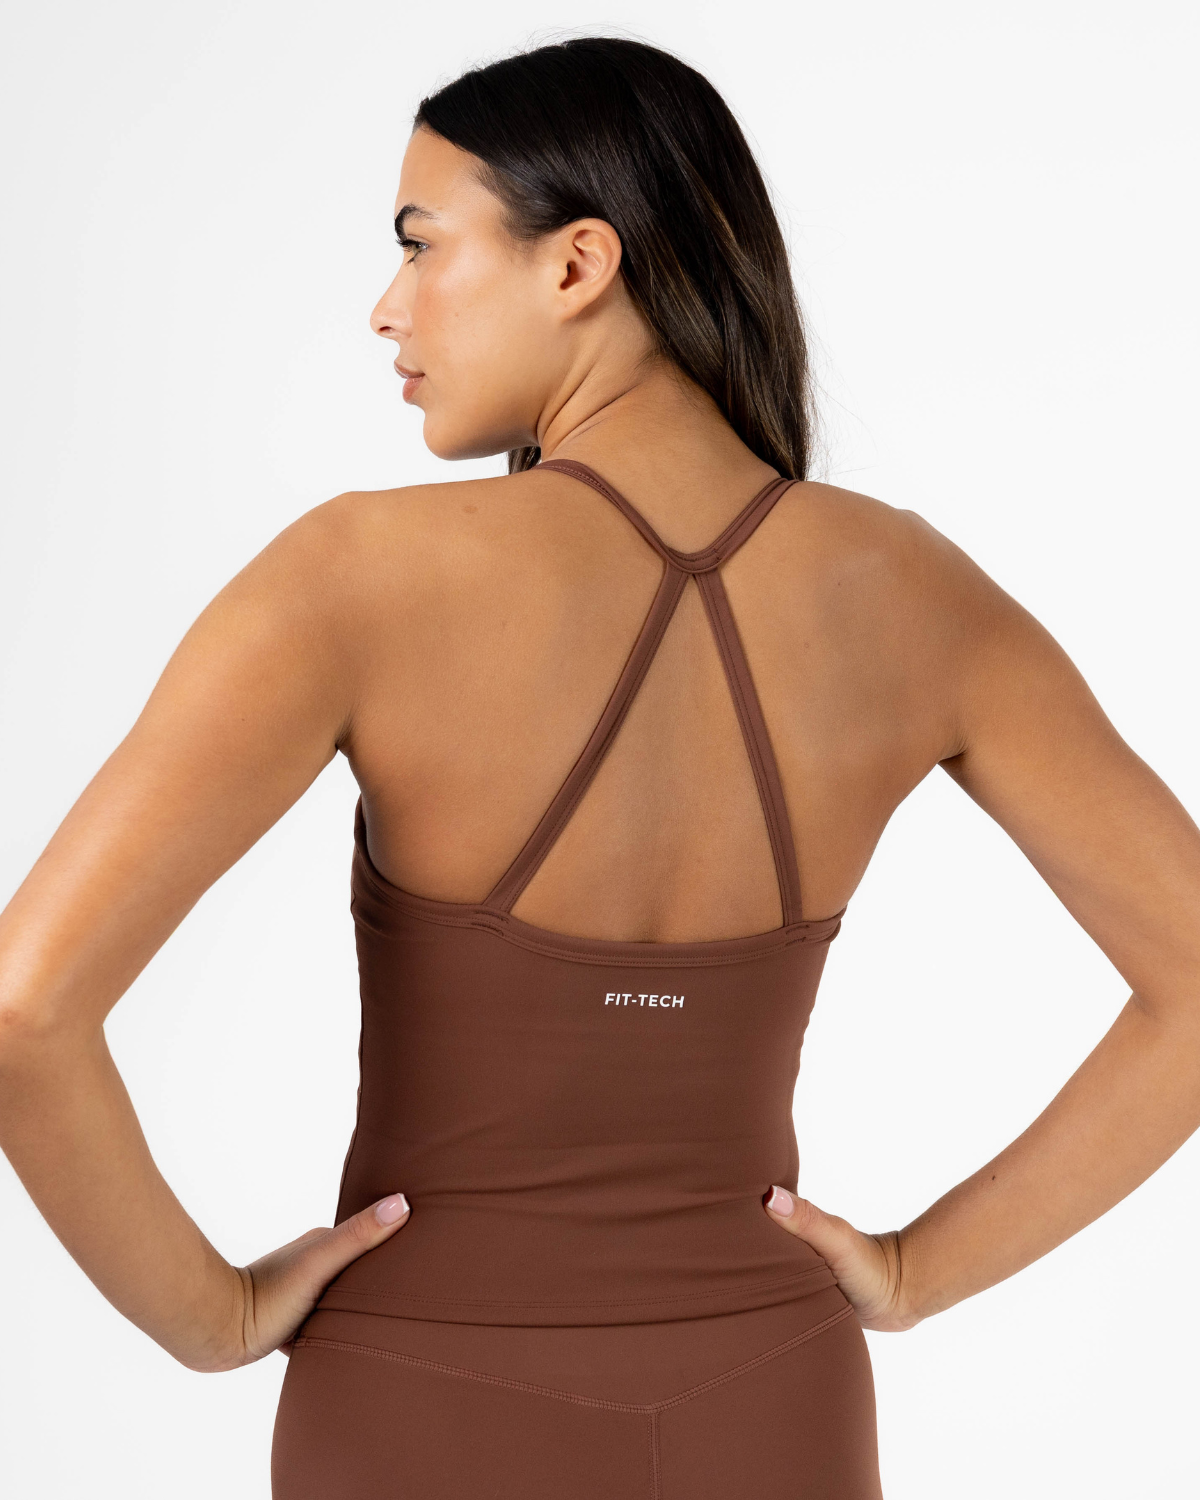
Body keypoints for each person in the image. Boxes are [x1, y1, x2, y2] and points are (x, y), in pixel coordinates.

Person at [2, 34, 1199, 1500]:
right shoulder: (913, 596)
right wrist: (909, 1274)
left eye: (420, 244)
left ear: (578, 263)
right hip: (775, 1406)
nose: (388, 306)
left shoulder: (355, 576)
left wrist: (217, 1319)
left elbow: (24, 1008)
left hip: (415, 1402)